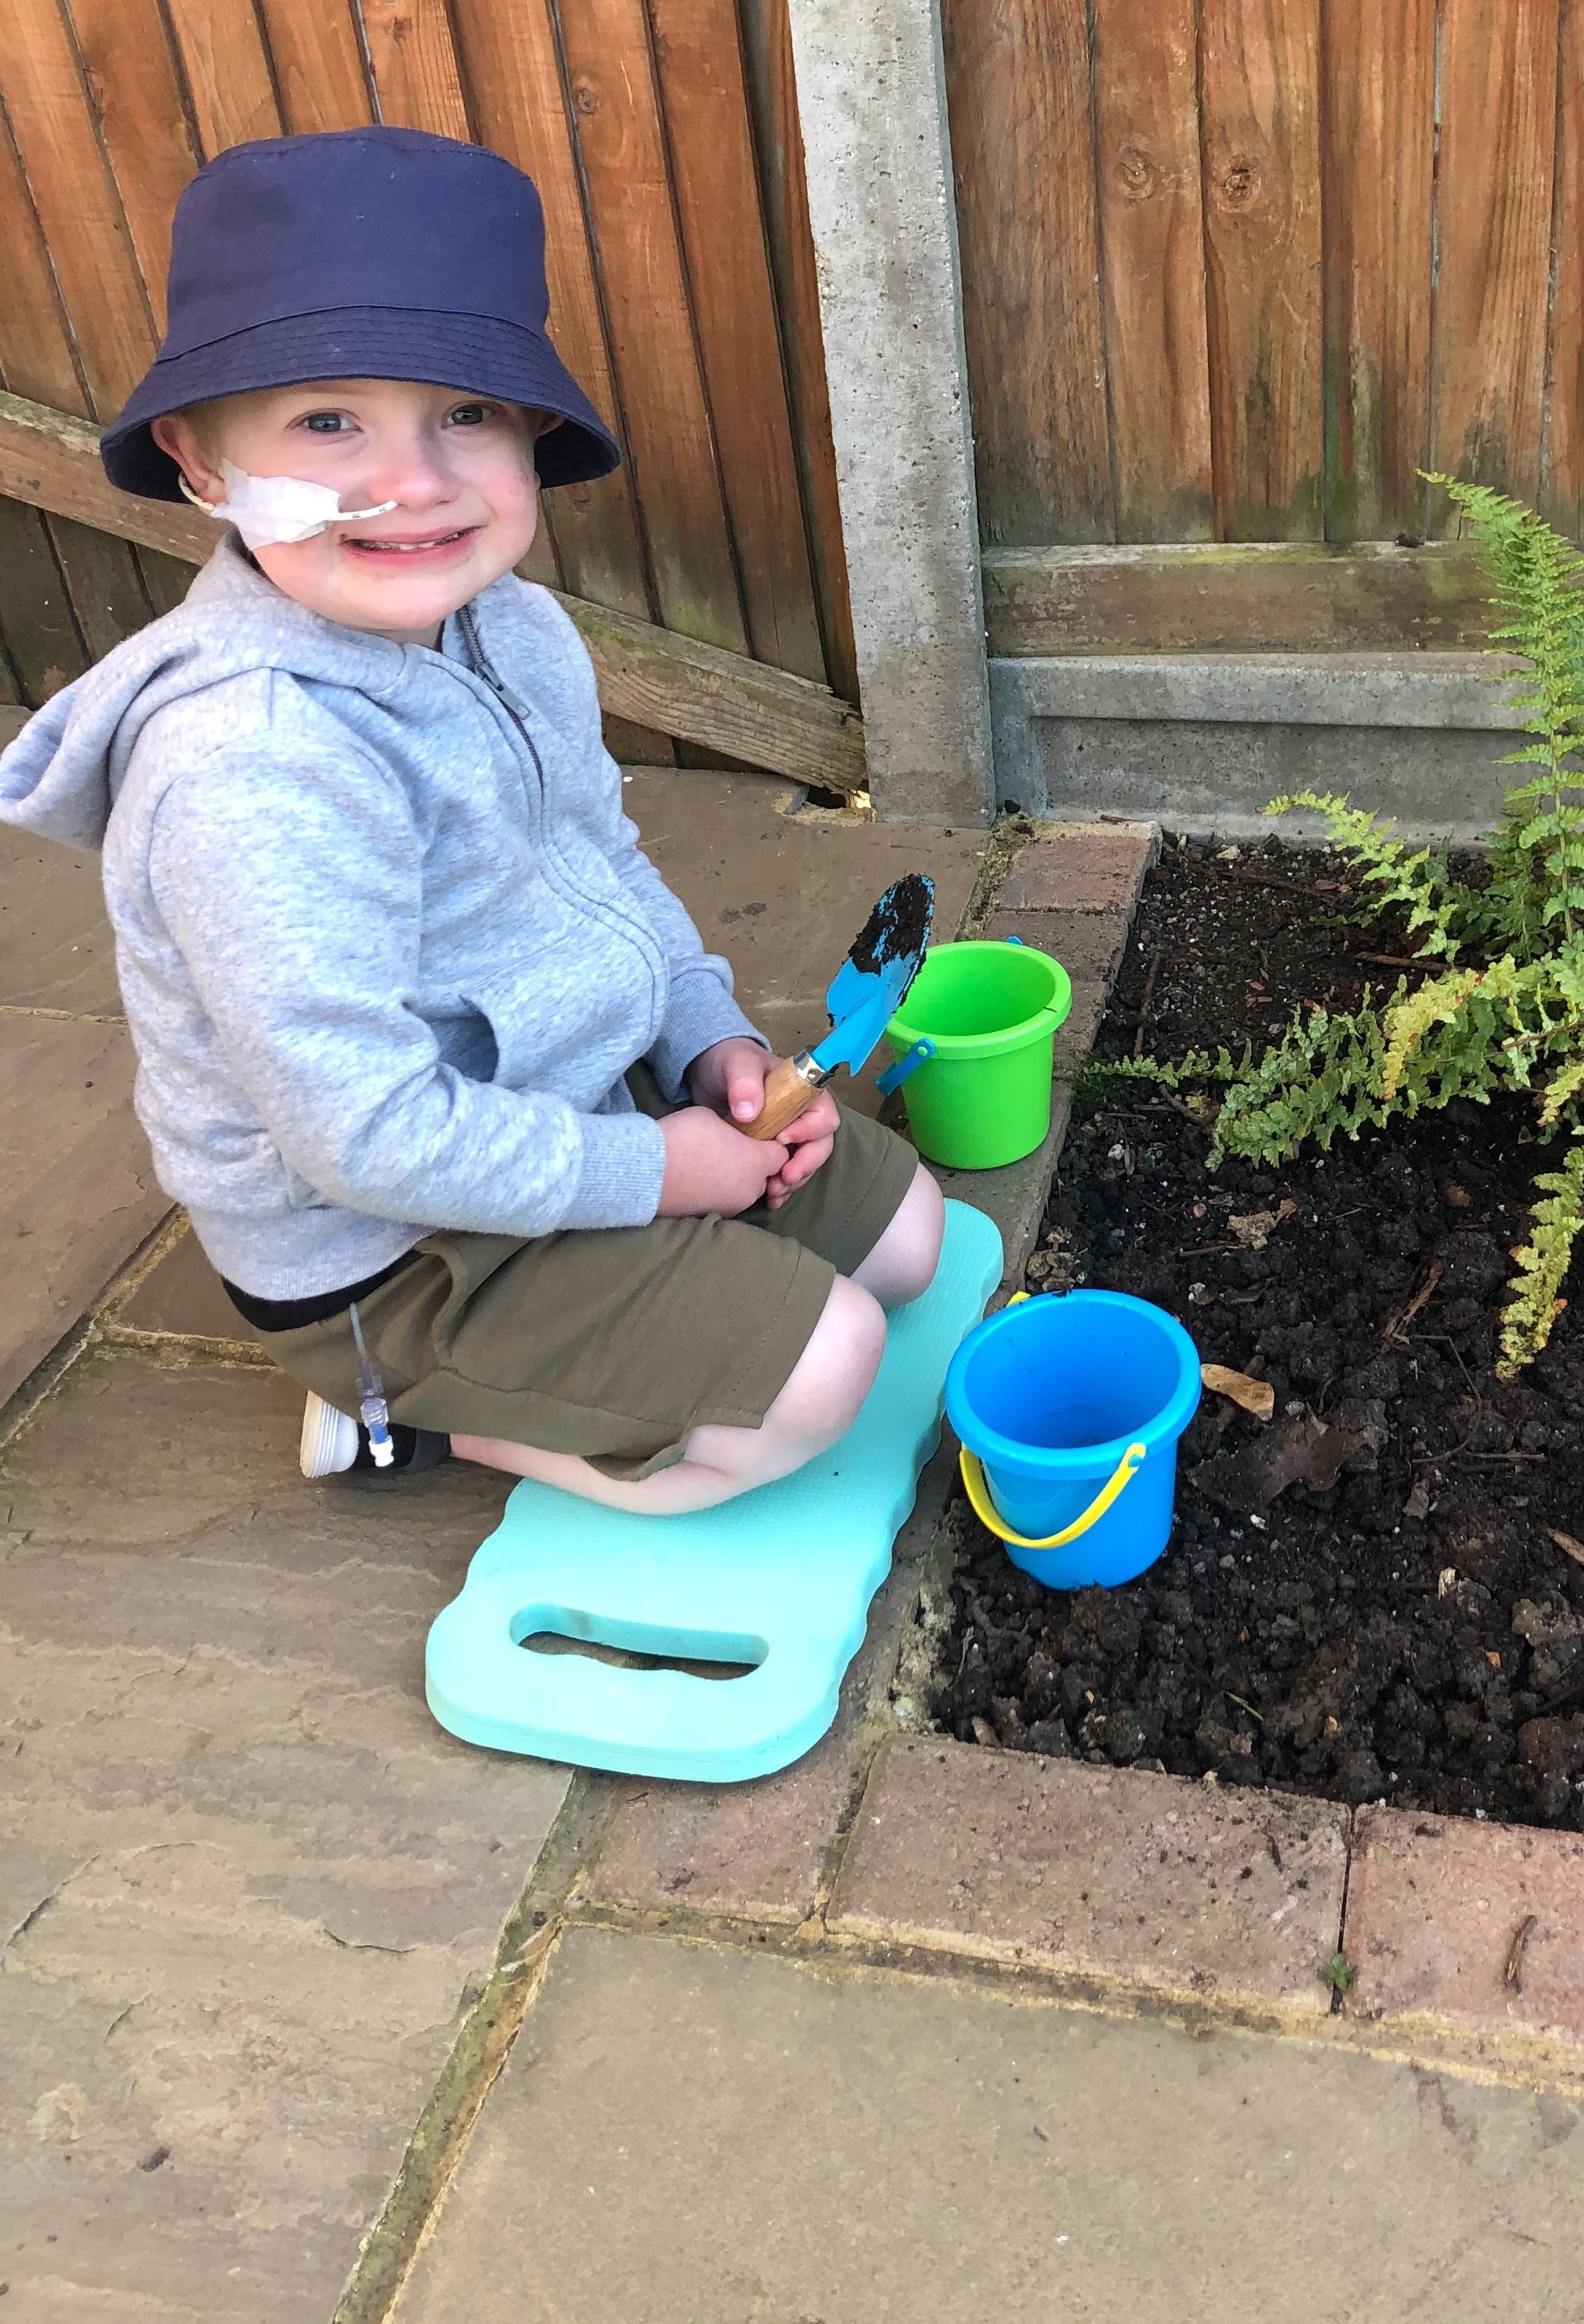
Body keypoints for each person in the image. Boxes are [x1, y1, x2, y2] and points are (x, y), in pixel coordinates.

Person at [0, 127, 942, 1510]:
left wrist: (711, 1047)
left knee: (909, 1240)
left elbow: (603, 868)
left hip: (567, 1092)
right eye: (329, 421)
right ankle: (405, 1423)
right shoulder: (254, 766)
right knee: (824, 1374)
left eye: (468, 413)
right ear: (202, 463)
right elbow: (363, 1137)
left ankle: (652, 1277)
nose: (418, 480)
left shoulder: (517, 629)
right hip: (395, 1246)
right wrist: (659, 1172)